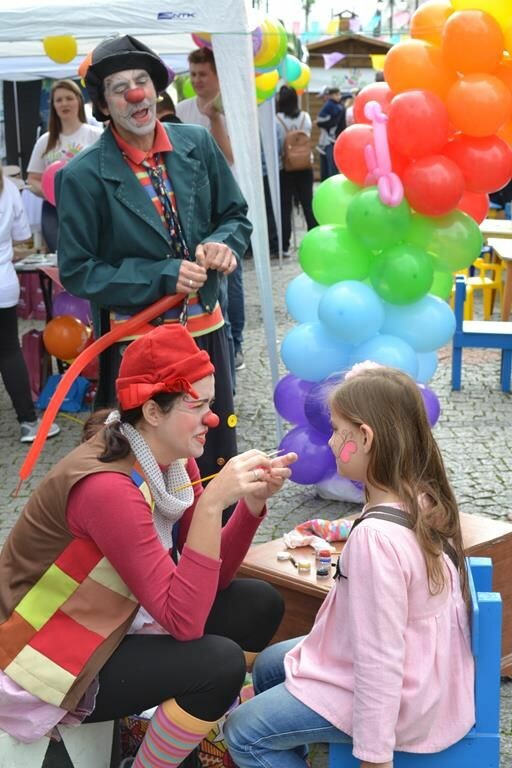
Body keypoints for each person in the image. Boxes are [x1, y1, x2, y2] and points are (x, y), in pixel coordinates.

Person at [0, 323, 297, 767]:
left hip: (113, 624)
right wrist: (215, 504)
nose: (211, 419)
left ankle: (177, 733)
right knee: (218, 663)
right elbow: (184, 622)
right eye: (197, 406)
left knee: (258, 602)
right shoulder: (108, 489)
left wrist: (250, 506)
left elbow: (214, 581)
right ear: (153, 412)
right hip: (48, 654)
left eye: (211, 404)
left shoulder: (173, 462)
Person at [224, 365, 475, 768]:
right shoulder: (419, 494)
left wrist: (375, 757)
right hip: (425, 672)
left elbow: (380, 655)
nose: (331, 440)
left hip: (403, 700)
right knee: (272, 665)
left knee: (243, 733)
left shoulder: (376, 540)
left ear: (365, 437)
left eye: (338, 431)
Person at [55, 35, 252, 488]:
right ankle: (158, 555)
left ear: (156, 90)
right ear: (103, 106)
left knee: (214, 452)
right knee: (154, 469)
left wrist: (224, 242)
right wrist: (161, 275)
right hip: (139, 347)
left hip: (207, 335)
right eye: (119, 88)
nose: (136, 95)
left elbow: (234, 216)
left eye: (141, 81)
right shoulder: (82, 175)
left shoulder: (196, 144)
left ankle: (216, 546)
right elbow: (79, 270)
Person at [176, 46, 246, 373]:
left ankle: (235, 344)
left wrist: (214, 119)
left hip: (223, 207)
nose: (197, 80)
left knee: (230, 282)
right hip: (190, 210)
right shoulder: (182, 108)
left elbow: (230, 157)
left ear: (218, 75)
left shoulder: (232, 108)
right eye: (193, 75)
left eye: (203, 74)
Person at [0, 166, 60, 443]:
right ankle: (28, 421)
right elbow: (21, 235)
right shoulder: (9, 189)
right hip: (4, 284)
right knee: (9, 351)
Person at [27, 79, 102, 251]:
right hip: (55, 212)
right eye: (59, 100)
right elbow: (32, 179)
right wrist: (52, 194)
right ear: (53, 105)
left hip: (90, 208)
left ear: (78, 100)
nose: (64, 104)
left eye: (69, 98)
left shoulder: (97, 136)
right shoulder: (45, 141)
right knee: (61, 260)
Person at [275, 86, 317, 258]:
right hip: (305, 165)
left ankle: (284, 245)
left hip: (286, 168)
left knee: (285, 207)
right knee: (308, 204)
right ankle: (315, 240)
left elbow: (277, 145)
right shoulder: (305, 117)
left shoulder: (277, 120)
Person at [316, 86, 344, 180]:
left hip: (330, 140)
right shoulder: (334, 106)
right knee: (329, 169)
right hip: (330, 140)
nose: (323, 100)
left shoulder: (335, 106)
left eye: (323, 97)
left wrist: (319, 123)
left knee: (330, 169)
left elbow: (326, 122)